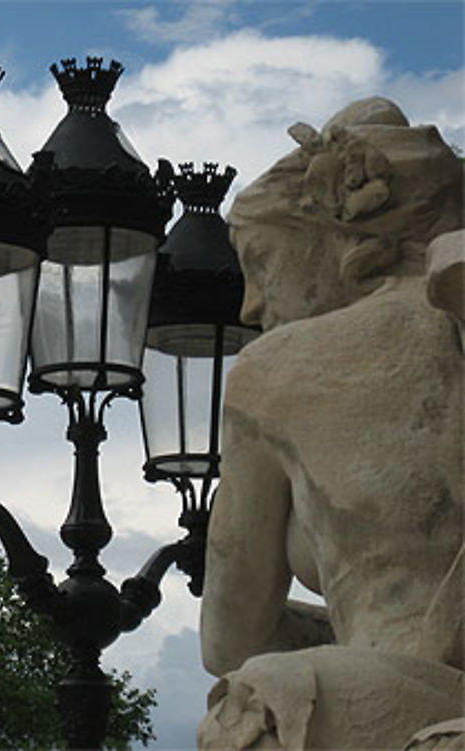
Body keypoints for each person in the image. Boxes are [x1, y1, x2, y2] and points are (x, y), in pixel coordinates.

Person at [198, 98, 464, 749]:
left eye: (260, 264)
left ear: (328, 241)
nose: (251, 302)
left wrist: (351, 641)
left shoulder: (276, 371)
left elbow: (228, 635)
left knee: (252, 704)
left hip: (394, 702)